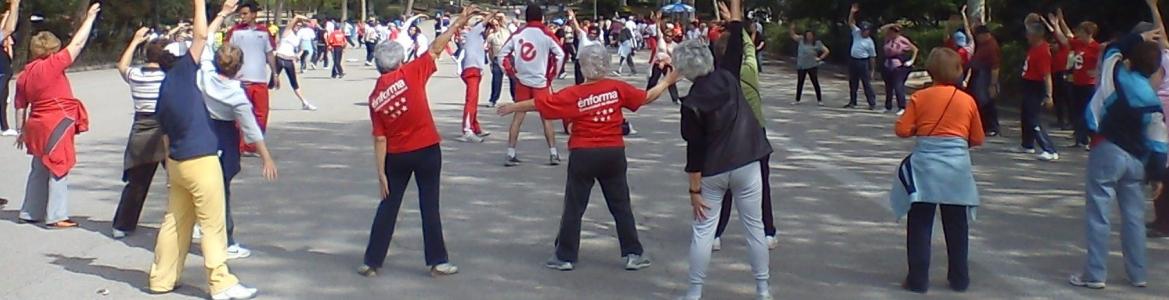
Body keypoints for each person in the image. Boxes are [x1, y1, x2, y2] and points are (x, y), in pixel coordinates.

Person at [497, 42, 675, 271]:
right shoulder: (617, 88)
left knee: (574, 206)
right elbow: (646, 97)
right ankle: (633, 253)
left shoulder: (574, 93)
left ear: (582, 67)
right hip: (613, 152)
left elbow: (542, 103)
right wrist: (667, 81)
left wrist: (513, 107)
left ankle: (565, 256)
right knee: (621, 205)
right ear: (606, 65)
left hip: (583, 153)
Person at [148, 1, 267, 299]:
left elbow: (163, 134)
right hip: (201, 158)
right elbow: (203, 37)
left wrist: (223, 14)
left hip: (176, 161)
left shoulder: (167, 89)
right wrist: (200, 4)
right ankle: (220, 282)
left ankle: (161, 278)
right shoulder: (193, 74)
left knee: (174, 221)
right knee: (213, 225)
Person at [356, 6, 478, 279]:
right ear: (399, 61)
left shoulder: (375, 96)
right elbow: (436, 47)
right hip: (426, 150)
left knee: (388, 206)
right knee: (429, 205)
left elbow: (379, 137)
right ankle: (437, 262)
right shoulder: (411, 73)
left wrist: (380, 174)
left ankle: (372, 261)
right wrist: (458, 22)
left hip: (396, 156)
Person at [673, 1, 772, 299]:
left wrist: (694, 191)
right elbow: (739, 43)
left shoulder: (691, 103)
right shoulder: (729, 76)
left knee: (703, 231)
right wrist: (735, 12)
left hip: (713, 171)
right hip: (746, 160)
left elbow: (695, 149)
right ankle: (763, 289)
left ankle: (694, 292)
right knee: (754, 228)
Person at [1072, 27, 1166, 290]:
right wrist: (1157, 175)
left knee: (1098, 213)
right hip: (1137, 160)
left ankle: (1095, 274)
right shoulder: (1152, 101)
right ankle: (1138, 274)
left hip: (1107, 149)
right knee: (1134, 218)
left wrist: (1138, 38)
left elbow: (1113, 49)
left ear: (1130, 60)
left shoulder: (1115, 76)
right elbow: (1159, 141)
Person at [890, 47, 984, 294]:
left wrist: (922, 130)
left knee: (920, 223)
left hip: (926, 167)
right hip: (957, 168)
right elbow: (978, 138)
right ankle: (959, 279)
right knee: (956, 224)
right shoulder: (967, 100)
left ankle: (918, 280)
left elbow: (902, 130)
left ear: (931, 70)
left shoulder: (920, 98)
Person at [196, 0, 282, 260]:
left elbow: (206, 38)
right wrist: (266, 156)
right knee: (222, 188)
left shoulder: (205, 76)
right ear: (238, 67)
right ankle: (227, 240)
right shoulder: (236, 96)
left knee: (202, 185)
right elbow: (250, 127)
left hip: (202, 133)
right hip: (224, 135)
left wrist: (221, 13)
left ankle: (200, 225)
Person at [14, 0, 95, 229]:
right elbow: (77, 44)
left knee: (38, 168)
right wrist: (89, 18)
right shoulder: (52, 65)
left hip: (36, 124)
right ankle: (56, 215)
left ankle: (30, 211)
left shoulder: (24, 75)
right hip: (57, 122)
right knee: (59, 166)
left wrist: (21, 132)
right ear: (52, 50)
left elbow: (20, 105)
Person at [709, 2, 776, 252]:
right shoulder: (749, 68)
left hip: (727, 136)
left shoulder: (717, 77)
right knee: (762, 184)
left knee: (724, 187)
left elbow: (739, 45)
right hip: (755, 132)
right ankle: (768, 231)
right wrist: (734, 18)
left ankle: (715, 233)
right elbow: (746, 46)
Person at [111, 28, 170, 239]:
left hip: (140, 127)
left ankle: (123, 224)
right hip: (163, 128)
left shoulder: (136, 75)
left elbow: (122, 65)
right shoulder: (167, 77)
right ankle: (188, 221)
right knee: (179, 180)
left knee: (137, 182)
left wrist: (135, 40)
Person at [497, 4, 566, 167]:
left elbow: (502, 55)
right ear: (541, 17)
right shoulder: (546, 33)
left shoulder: (518, 33)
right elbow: (560, 54)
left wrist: (511, 73)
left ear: (525, 17)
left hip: (522, 80)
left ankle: (510, 153)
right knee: (546, 117)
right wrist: (552, 75)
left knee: (518, 116)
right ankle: (553, 153)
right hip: (541, 82)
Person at [227, 0, 278, 156]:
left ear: (254, 14)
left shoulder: (264, 32)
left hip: (260, 80)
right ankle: (241, 146)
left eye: (245, 14)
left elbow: (269, 54)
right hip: (241, 81)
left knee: (261, 114)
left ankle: (253, 145)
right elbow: (226, 53)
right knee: (242, 114)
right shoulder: (234, 32)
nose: (242, 17)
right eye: (240, 14)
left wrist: (275, 73)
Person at [1047, 9, 1100, 151]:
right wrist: (1056, 24)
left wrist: (1097, 72)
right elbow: (1064, 39)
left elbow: (1103, 62)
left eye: (1081, 32)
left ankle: (1091, 138)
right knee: (1076, 111)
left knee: (1088, 112)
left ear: (1088, 33)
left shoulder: (1095, 47)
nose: (1079, 34)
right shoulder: (1078, 44)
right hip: (1077, 82)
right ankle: (1080, 138)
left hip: (1089, 84)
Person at [1018, 13, 1060, 161]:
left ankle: (1049, 149)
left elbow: (1046, 75)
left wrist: (1049, 95)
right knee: (1025, 115)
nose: (1026, 36)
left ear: (1036, 36)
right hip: (1028, 84)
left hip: (1036, 86)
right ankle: (1027, 144)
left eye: (1029, 34)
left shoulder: (1043, 51)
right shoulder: (1034, 48)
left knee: (1033, 118)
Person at [458, 15, 491, 142]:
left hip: (476, 70)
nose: (489, 32)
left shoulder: (478, 38)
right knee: (471, 101)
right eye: (488, 29)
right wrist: (493, 14)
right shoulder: (474, 33)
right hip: (471, 70)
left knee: (474, 100)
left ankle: (474, 126)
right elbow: (484, 21)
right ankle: (467, 130)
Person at [273, 15, 317, 110]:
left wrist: (298, 55)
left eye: (300, 26)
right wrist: (307, 19)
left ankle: (304, 103)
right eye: (297, 25)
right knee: (272, 82)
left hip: (289, 60)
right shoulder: (287, 32)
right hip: (280, 58)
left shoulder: (297, 37)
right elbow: (296, 17)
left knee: (294, 83)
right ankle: (257, 101)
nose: (298, 27)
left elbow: (300, 49)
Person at [969, 25, 1001, 137]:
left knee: (986, 101)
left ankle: (992, 126)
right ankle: (984, 125)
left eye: (978, 36)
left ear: (984, 35)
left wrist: (993, 84)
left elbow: (995, 66)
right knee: (981, 100)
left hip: (986, 75)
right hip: (980, 73)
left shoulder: (991, 46)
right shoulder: (984, 44)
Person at [642, 12, 680, 104]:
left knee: (671, 82)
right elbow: (658, 29)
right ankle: (646, 96)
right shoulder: (661, 40)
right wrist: (658, 20)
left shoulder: (675, 45)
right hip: (658, 63)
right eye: (666, 35)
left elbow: (675, 57)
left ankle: (675, 99)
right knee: (653, 80)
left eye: (670, 36)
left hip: (667, 64)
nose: (668, 37)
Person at [879, 23, 918, 115]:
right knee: (888, 86)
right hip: (888, 64)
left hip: (899, 64)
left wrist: (911, 60)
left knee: (898, 85)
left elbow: (915, 49)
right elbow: (881, 29)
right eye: (892, 31)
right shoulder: (887, 39)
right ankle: (888, 106)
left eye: (896, 31)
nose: (893, 33)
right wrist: (891, 24)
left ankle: (902, 106)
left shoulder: (902, 40)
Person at [845, 3, 877, 110]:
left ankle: (871, 103)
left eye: (867, 30)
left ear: (869, 31)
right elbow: (850, 22)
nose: (865, 32)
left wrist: (872, 70)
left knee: (866, 83)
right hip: (853, 60)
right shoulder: (857, 33)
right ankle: (852, 102)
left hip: (863, 62)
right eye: (863, 30)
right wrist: (852, 12)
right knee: (853, 82)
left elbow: (872, 57)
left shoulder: (870, 42)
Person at [789, 24, 828, 105]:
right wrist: (792, 28)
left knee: (815, 82)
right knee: (800, 82)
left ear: (813, 36)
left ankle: (820, 100)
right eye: (807, 35)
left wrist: (820, 58)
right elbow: (793, 35)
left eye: (810, 35)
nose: (809, 37)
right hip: (801, 65)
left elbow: (826, 51)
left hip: (812, 65)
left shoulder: (817, 43)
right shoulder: (801, 39)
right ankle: (797, 100)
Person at [486, 12, 513, 107]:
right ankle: (493, 99)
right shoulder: (491, 36)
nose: (495, 26)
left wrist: (495, 15)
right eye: (493, 25)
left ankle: (516, 99)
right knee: (496, 80)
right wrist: (491, 62)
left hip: (508, 58)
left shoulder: (505, 30)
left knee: (513, 79)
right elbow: (490, 50)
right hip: (497, 58)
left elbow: (502, 16)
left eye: (496, 24)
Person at [0, 7, 17, 137]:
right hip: (3, 71)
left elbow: (7, 30)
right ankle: (4, 128)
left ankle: (4, 127)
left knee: (3, 98)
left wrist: (9, 13)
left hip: (3, 71)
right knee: (2, 98)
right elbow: (8, 29)